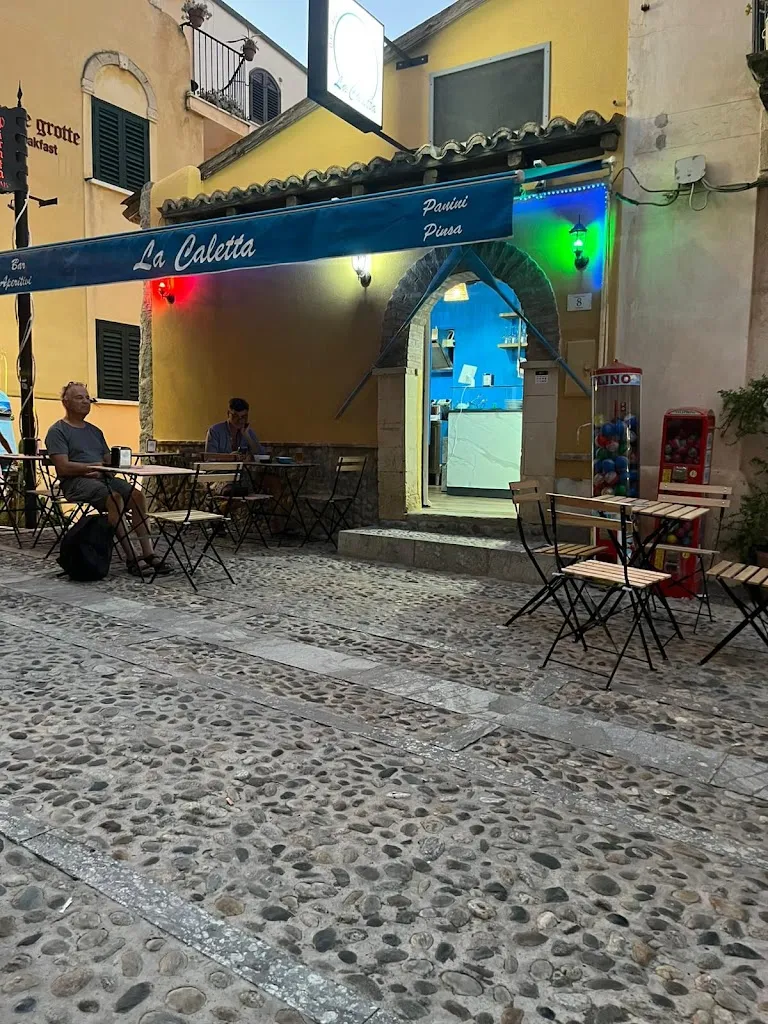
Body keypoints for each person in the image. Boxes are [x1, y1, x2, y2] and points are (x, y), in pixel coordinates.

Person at [45, 382, 170, 576]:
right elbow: (62, 466)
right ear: (66, 402)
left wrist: (116, 461)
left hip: (102, 477)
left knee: (137, 496)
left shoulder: (95, 431)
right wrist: (91, 469)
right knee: (115, 498)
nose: (86, 402)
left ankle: (149, 553)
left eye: (87, 398)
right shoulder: (57, 431)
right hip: (76, 482)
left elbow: (106, 460)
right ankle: (132, 557)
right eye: (80, 398)